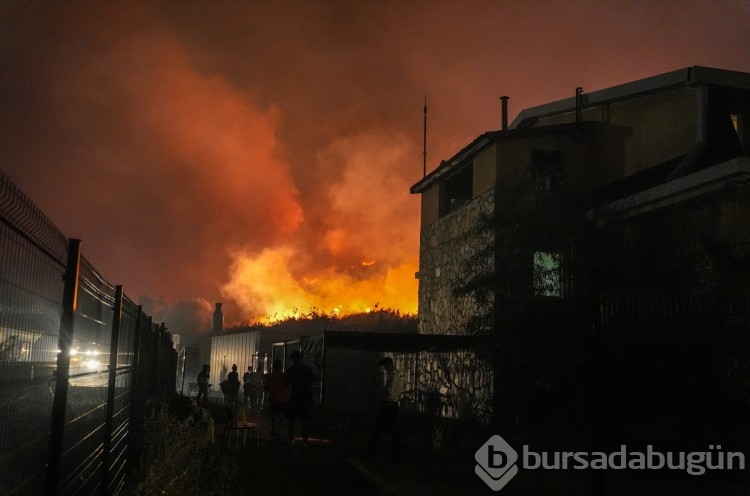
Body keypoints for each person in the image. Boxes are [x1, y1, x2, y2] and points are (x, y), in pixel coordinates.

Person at [365, 356, 403, 463]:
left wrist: (381, 387)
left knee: (382, 430)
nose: (384, 369)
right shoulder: (394, 376)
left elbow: (389, 393)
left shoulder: (393, 376)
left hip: (389, 405)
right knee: (390, 431)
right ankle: (395, 454)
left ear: (389, 365)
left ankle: (371, 452)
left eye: (385, 366)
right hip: (391, 405)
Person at [284, 350, 314, 451]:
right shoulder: (308, 369)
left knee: (291, 421)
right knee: (305, 421)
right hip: (306, 398)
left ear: (293, 359)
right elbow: (312, 382)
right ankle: (305, 442)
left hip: (294, 397)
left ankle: (292, 441)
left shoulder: (291, 370)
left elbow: (286, 384)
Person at [266, 358, 289, 440]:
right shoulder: (284, 375)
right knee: (281, 415)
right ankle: (279, 431)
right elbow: (288, 387)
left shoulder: (271, 376)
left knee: (273, 415)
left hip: (273, 398)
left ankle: (273, 429)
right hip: (283, 398)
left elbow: (267, 387)